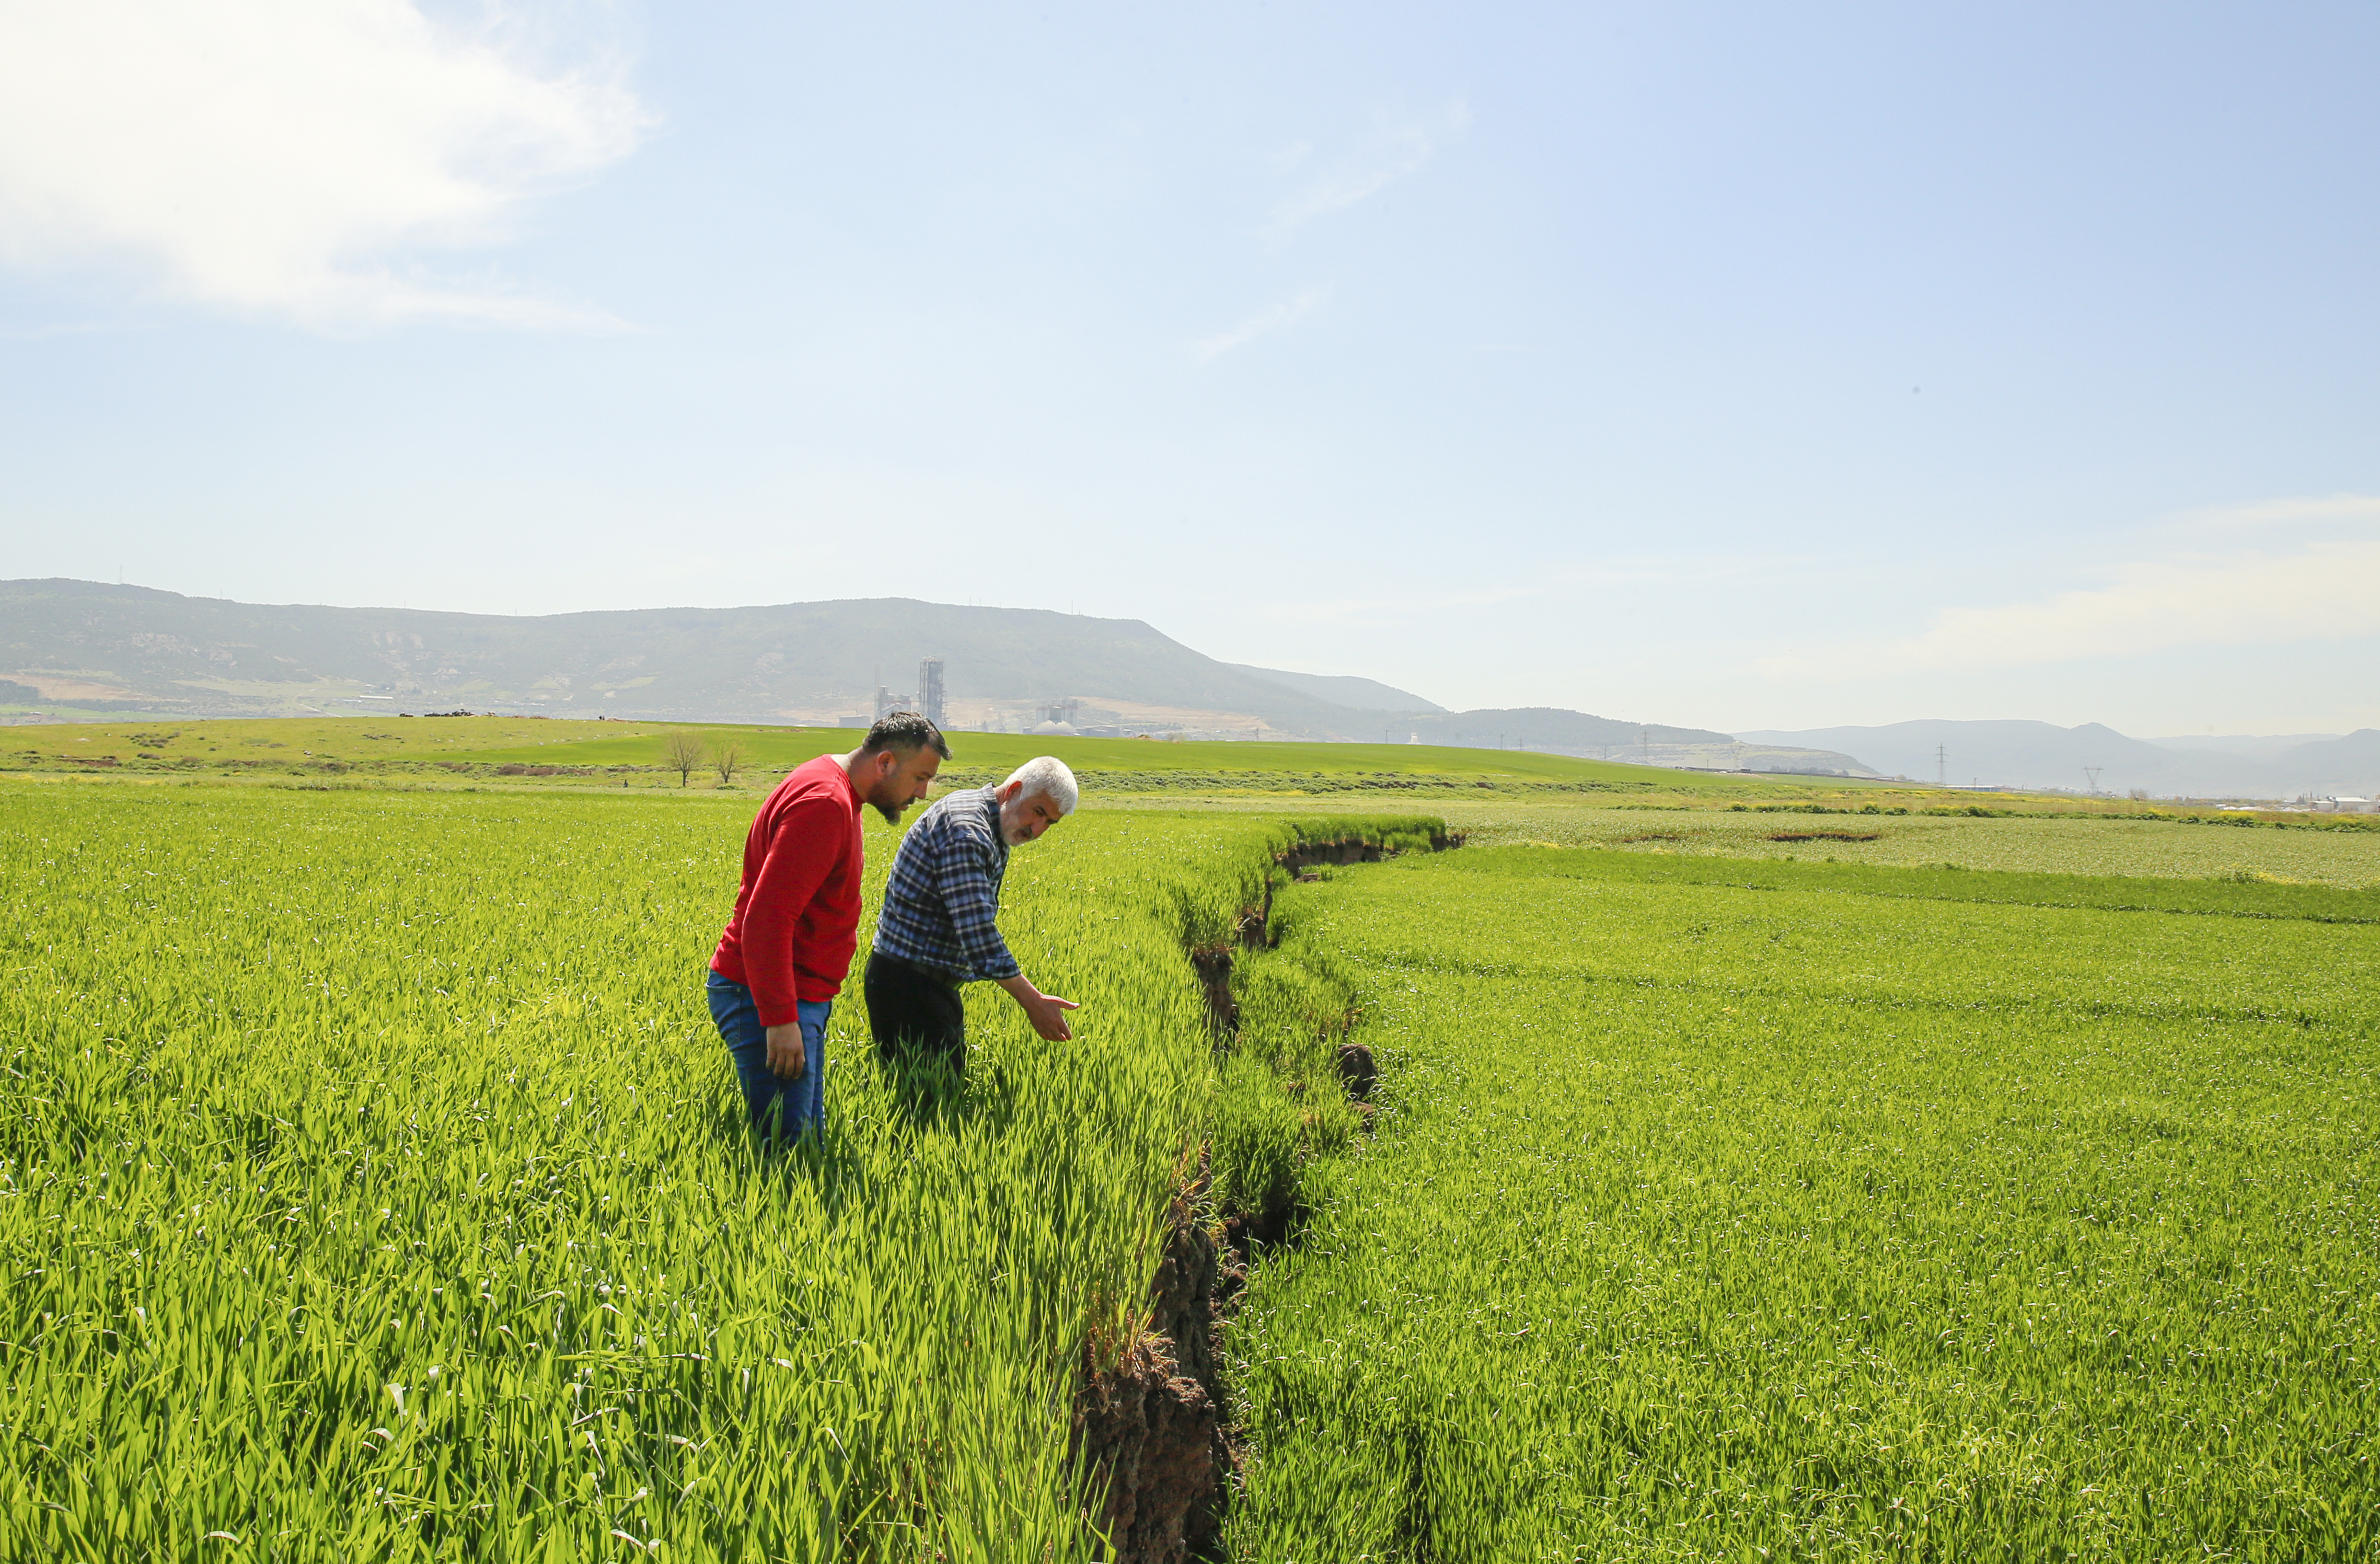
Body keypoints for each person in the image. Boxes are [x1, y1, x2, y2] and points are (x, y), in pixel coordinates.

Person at [707, 712, 948, 1138]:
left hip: (792, 995)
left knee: (808, 1146)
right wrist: (781, 1019)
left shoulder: (831, 785)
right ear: (886, 763)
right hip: (770, 998)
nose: (923, 792)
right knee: (790, 1153)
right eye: (920, 777)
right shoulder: (825, 803)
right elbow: (768, 918)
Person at [865, 754, 1080, 1071]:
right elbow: (977, 931)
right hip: (908, 987)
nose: (1038, 829)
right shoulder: (965, 829)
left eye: (1050, 822)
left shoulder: (995, 822)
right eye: (1038, 812)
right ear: (1014, 789)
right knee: (927, 1108)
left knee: (934, 1101)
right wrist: (1034, 1002)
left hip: (924, 983)